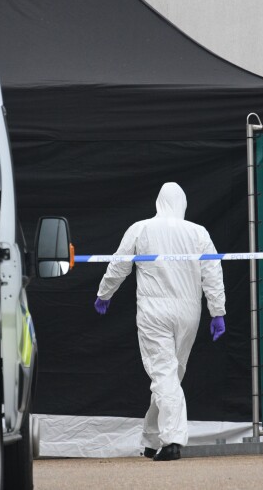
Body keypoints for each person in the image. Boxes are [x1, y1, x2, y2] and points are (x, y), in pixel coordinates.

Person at [94, 182, 226, 461]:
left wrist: (104, 293)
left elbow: (119, 264)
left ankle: (173, 440)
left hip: (154, 312)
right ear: (183, 203)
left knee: (165, 375)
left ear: (158, 202)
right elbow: (212, 272)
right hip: (189, 312)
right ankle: (153, 438)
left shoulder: (141, 229)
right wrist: (218, 311)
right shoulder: (198, 232)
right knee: (169, 375)